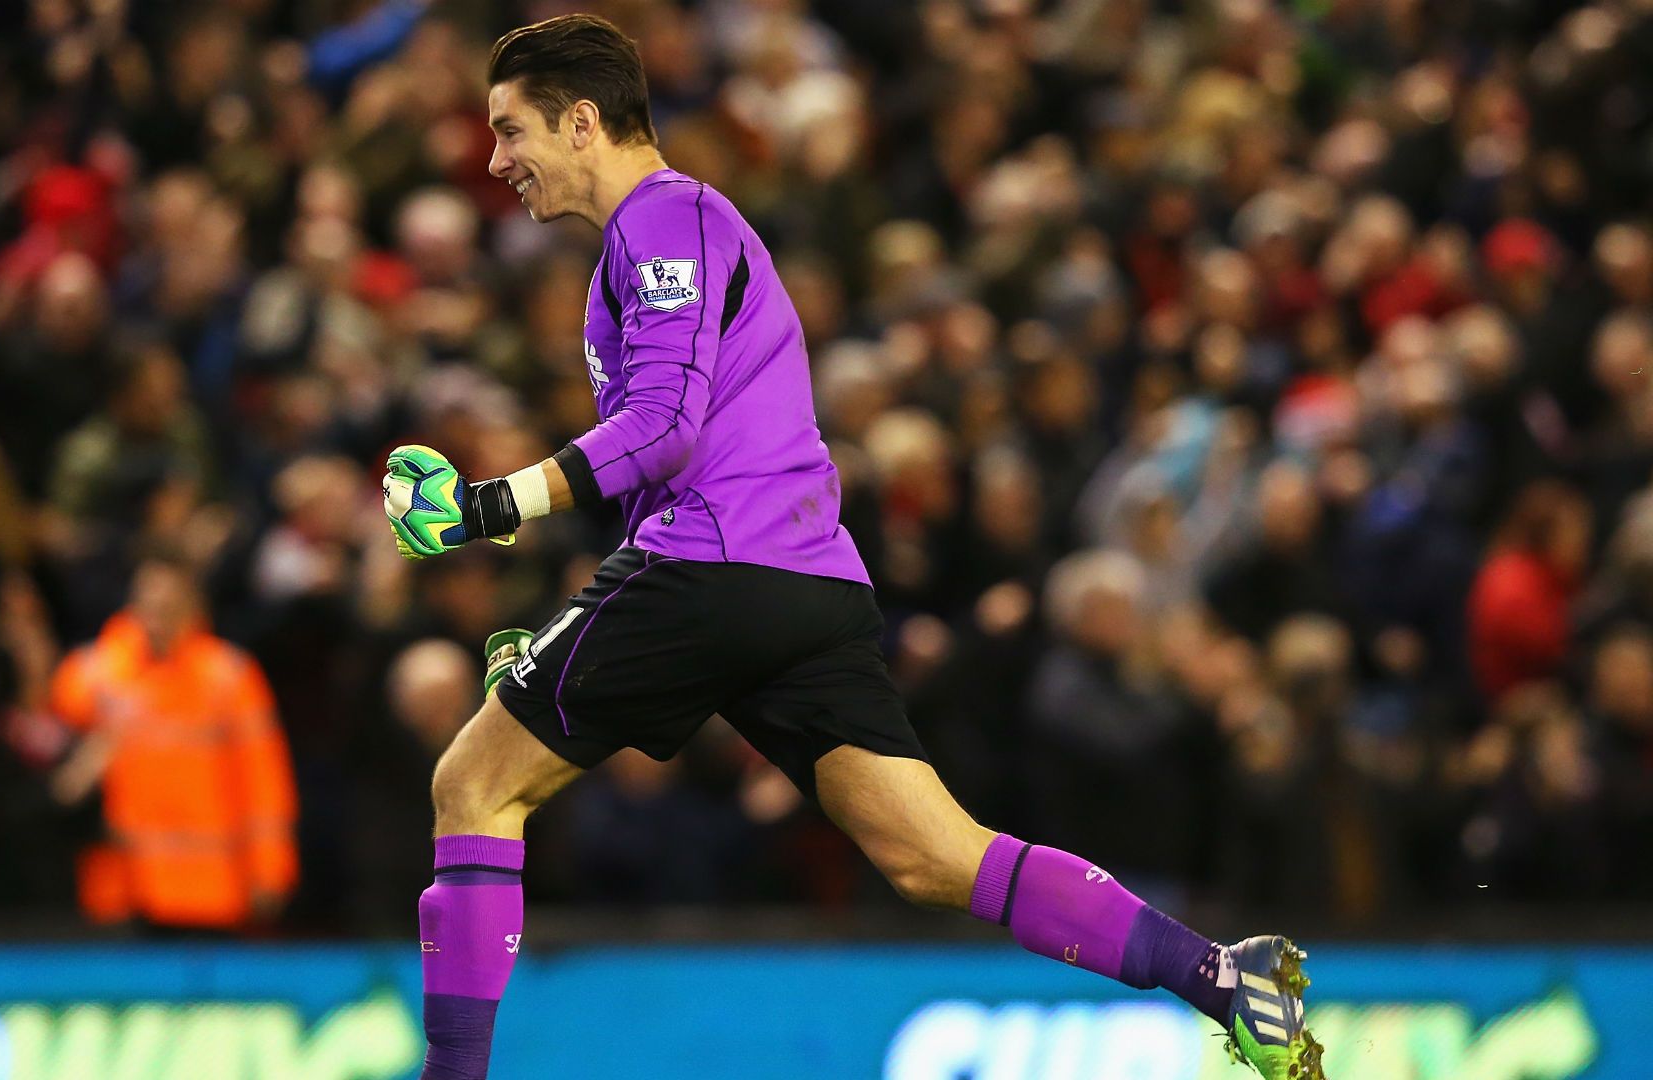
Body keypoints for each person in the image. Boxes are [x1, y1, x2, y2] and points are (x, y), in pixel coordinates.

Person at [380, 16, 1323, 1080]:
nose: (496, 159)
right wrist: (569, 638)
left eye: (511, 131)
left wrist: (492, 504)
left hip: (715, 567)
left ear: (583, 121)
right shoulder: (666, 236)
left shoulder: (665, 219)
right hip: (801, 583)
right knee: (935, 856)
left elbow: (666, 426)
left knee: (473, 786)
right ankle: (1222, 979)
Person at [47, 548, 297, 931]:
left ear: (193, 606)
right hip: (122, 891)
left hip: (211, 892)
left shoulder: (229, 677)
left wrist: (269, 872)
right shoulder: (93, 673)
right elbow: (50, 756)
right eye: (147, 602)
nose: (156, 616)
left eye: (169, 604)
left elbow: (263, 785)